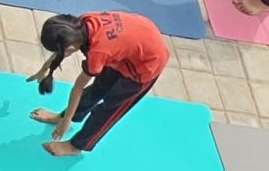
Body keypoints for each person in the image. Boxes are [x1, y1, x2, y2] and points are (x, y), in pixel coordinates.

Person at [27, 11, 168, 156]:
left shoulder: (98, 51)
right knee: (96, 89)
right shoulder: (80, 24)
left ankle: (76, 146)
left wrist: (66, 122)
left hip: (146, 65)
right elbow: (63, 49)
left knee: (108, 110)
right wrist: (43, 69)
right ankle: (61, 117)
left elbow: (78, 87)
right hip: (129, 46)